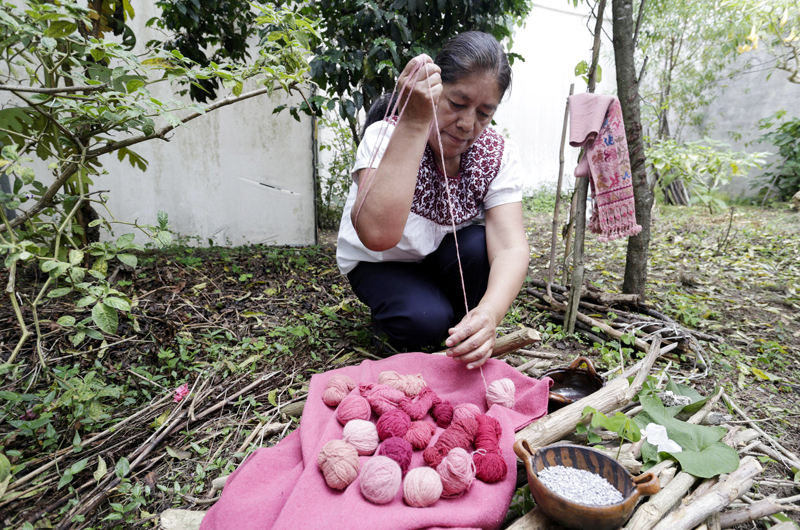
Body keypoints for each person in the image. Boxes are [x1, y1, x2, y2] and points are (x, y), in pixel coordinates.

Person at [336, 31, 529, 370]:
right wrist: (413, 121)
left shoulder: (497, 154)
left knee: (477, 248)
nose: (468, 124)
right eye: (456, 104)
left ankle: (456, 322)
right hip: (380, 262)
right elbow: (377, 235)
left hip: (438, 257)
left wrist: (488, 314)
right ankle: (415, 316)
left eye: (484, 113)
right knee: (422, 322)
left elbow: (511, 246)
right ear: (434, 93)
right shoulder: (387, 135)